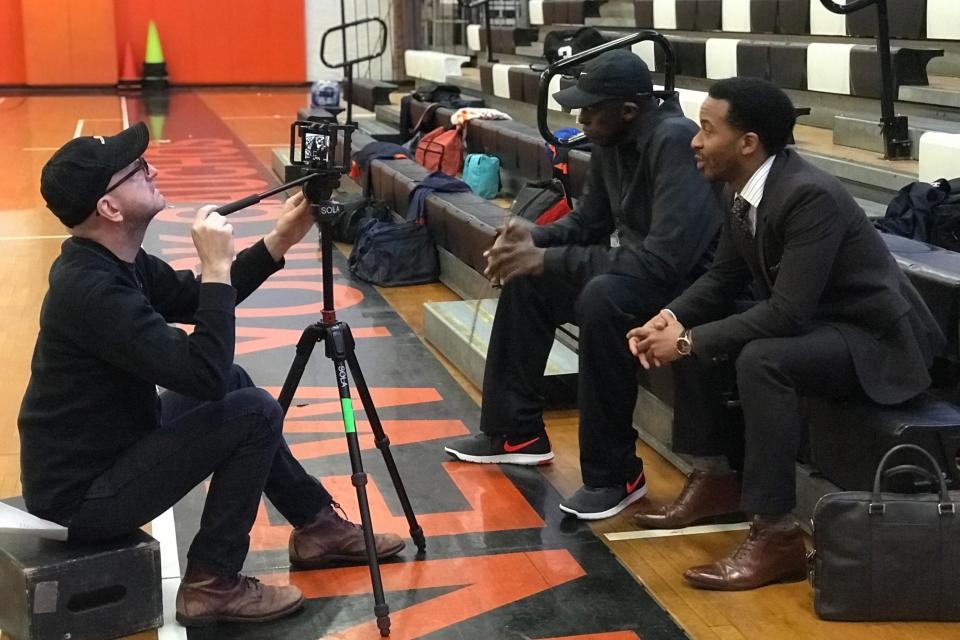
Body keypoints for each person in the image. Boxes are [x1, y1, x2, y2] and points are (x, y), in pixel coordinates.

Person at [18, 122, 405, 626]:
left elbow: (192, 299)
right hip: (82, 499)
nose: (151, 169)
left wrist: (280, 238)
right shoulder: (91, 291)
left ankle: (316, 527)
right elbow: (200, 372)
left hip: (113, 451)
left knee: (237, 384)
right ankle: (210, 582)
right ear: (109, 208)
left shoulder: (112, 261)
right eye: (136, 170)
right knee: (252, 412)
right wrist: (217, 268)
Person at [627, 77, 944, 590]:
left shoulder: (807, 194)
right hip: (824, 326)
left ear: (747, 142)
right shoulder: (741, 185)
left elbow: (787, 315)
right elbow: (723, 276)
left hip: (875, 342)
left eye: (707, 129)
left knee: (759, 357)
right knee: (714, 336)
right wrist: (672, 318)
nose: (694, 140)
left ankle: (777, 536)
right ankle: (716, 478)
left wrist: (688, 341)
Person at [443, 49, 723, 520]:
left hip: (690, 287)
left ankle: (616, 475)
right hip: (640, 272)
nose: (581, 118)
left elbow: (666, 261)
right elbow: (589, 221)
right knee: (528, 277)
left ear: (628, 110)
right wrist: (530, 237)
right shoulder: (613, 142)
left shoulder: (673, 141)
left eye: (591, 109)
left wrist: (547, 258)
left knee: (601, 297)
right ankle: (515, 431)